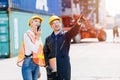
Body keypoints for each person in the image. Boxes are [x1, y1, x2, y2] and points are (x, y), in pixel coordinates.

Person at [43, 15, 84, 80]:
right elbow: (45, 53)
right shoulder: (48, 39)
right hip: (52, 68)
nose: (56, 24)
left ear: (60, 24)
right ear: (51, 26)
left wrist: (78, 24)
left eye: (57, 22)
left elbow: (73, 31)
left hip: (64, 67)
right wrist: (47, 65)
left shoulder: (66, 36)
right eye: (53, 23)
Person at [17, 15, 45, 80]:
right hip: (28, 63)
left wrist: (39, 69)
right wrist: (38, 37)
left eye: (39, 22)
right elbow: (34, 49)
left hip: (36, 64)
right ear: (31, 24)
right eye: (35, 21)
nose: (38, 23)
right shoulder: (26, 35)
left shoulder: (38, 36)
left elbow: (39, 52)